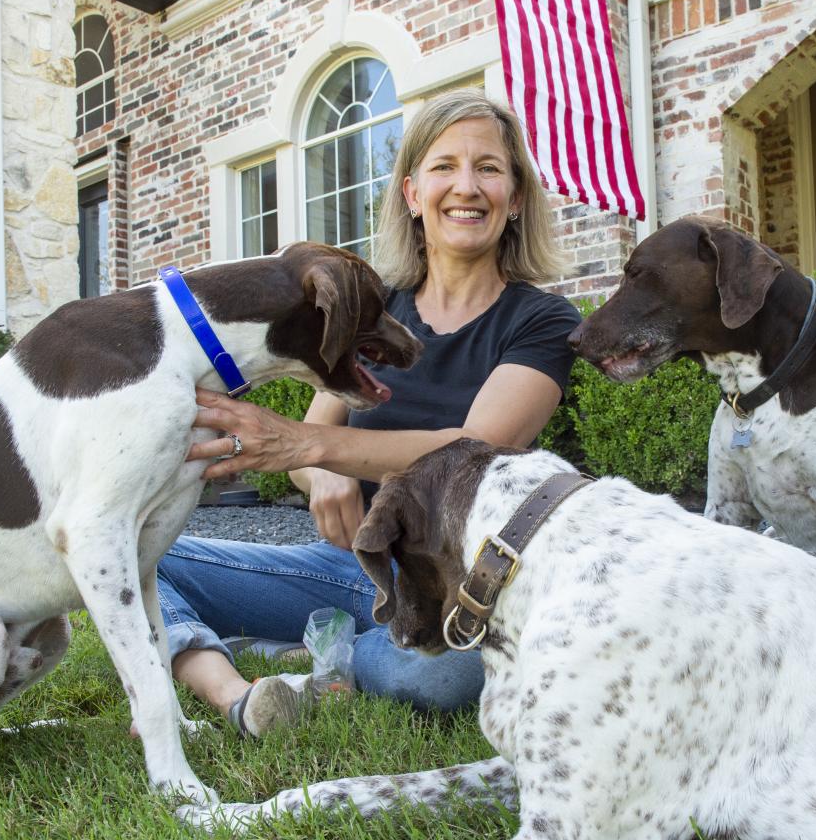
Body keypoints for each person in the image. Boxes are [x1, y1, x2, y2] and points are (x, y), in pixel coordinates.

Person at [154, 89, 580, 738]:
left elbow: (476, 448)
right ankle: (234, 691)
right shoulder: (374, 308)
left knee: (435, 678)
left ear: (515, 198)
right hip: (351, 567)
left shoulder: (543, 321)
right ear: (412, 193)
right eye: (444, 167)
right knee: (147, 554)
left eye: (489, 169)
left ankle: (311, 657)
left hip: (455, 580)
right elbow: (316, 444)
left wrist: (310, 448)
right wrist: (320, 472)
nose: (466, 186)